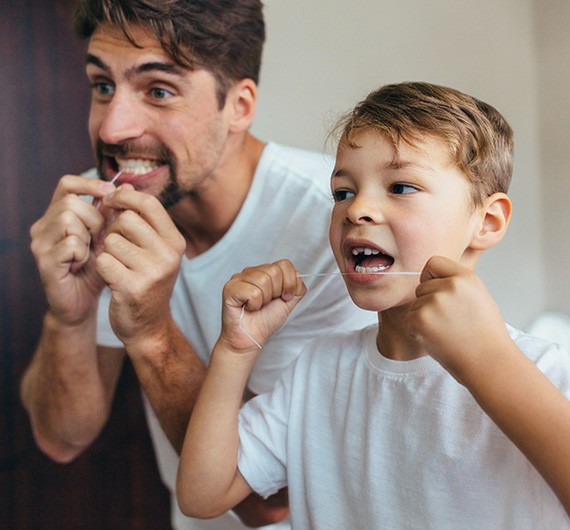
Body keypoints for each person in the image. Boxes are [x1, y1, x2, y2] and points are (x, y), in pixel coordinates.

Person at [20, 1, 373, 529]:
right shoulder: (104, 213)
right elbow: (61, 438)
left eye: (158, 90)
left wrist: (151, 333)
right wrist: (68, 316)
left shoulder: (339, 228)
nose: (113, 129)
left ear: (239, 105)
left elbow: (270, 501)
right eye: (102, 86)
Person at [176, 82, 570, 529]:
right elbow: (202, 494)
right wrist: (235, 350)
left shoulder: (549, 373)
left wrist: (488, 359)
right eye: (342, 192)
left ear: (487, 221)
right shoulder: (318, 370)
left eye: (400, 187)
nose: (357, 208)